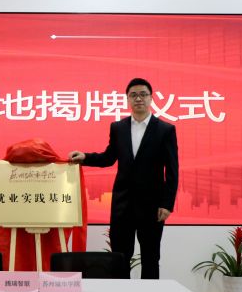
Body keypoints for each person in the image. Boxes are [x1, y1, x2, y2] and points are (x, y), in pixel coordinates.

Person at [68, 78, 178, 279]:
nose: (138, 99)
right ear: (128, 99)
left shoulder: (165, 130)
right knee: (119, 258)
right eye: (133, 95)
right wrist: (85, 158)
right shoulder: (118, 127)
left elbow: (172, 171)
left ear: (151, 98)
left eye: (143, 94)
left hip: (152, 206)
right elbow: (108, 158)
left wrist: (167, 203)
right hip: (123, 205)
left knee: (151, 257)